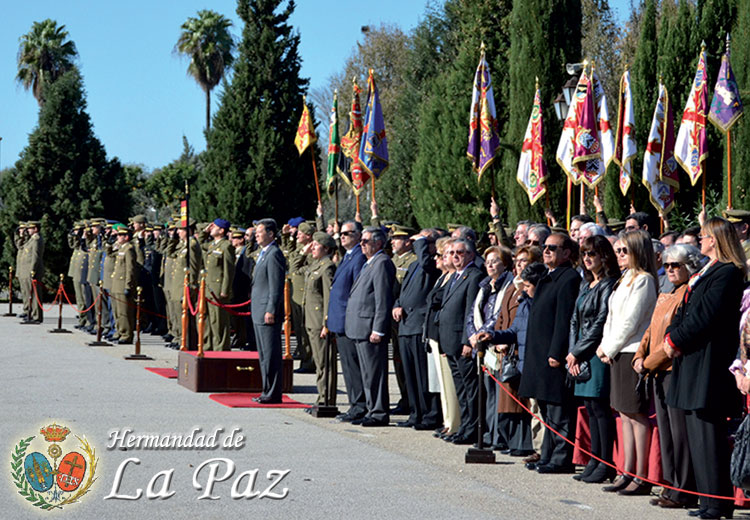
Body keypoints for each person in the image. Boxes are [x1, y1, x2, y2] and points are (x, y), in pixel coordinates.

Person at [664, 217, 747, 519]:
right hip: (691, 358)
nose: (700, 239)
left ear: (716, 239)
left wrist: (675, 339)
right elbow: (684, 310)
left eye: (703, 235)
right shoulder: (705, 272)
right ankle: (706, 499)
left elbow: (705, 317)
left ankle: (717, 501)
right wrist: (670, 334)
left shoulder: (727, 273)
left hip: (708, 361)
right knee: (695, 432)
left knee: (708, 434)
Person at [633, 244, 704, 509]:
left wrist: (648, 362)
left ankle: (683, 488)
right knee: (666, 432)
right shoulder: (666, 291)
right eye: (669, 265)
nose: (671, 269)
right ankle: (670, 484)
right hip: (654, 370)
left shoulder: (689, 293)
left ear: (689, 267)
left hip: (671, 370)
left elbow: (672, 340)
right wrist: (640, 356)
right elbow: (651, 330)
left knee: (679, 433)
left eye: (677, 265)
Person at [596, 230, 658, 495]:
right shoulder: (625, 278)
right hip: (615, 351)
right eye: (618, 251)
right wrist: (603, 345)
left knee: (636, 413)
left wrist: (609, 347)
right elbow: (611, 317)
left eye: (624, 251)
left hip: (630, 351)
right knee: (623, 412)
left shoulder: (643, 280)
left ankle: (641, 475)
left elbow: (631, 321)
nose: (619, 255)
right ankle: (626, 469)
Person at [519, 233, 580, 474]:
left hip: (553, 354)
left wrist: (557, 351)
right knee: (545, 408)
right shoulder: (547, 277)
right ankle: (547, 453)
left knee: (558, 409)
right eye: (545, 247)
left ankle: (561, 457)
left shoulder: (569, 278)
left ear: (567, 253)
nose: (546, 251)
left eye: (553, 248)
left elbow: (564, 319)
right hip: (538, 352)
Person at [476, 261, 547, 458]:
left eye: (527, 286)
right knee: (535, 408)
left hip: (539, 362)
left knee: (543, 411)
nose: (523, 290)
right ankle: (539, 449)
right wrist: (493, 335)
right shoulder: (524, 303)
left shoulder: (543, 304)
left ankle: (546, 452)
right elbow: (514, 330)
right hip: (525, 362)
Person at [566, 235, 619, 484]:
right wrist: (572, 352)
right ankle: (594, 459)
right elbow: (575, 321)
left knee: (600, 408)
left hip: (596, 352)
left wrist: (578, 352)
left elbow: (600, 322)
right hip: (580, 352)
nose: (587, 259)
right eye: (584, 254)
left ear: (603, 256)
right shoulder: (586, 284)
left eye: (592, 254)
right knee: (589, 407)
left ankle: (605, 462)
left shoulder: (608, 284)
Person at [344, 226, 396, 427]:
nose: (361, 244)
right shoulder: (369, 263)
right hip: (359, 327)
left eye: (365, 241)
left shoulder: (381, 263)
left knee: (374, 373)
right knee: (366, 374)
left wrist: (378, 328)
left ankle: (379, 412)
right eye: (362, 241)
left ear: (378, 243)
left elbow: (383, 299)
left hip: (369, 328)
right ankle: (371, 408)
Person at [466, 245, 514, 449]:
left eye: (495, 261)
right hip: (482, 346)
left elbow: (497, 316)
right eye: (488, 261)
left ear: (505, 264)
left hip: (496, 342)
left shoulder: (507, 285)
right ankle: (487, 433)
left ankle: (498, 436)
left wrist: (483, 334)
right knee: (487, 393)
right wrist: (472, 335)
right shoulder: (484, 285)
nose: (490, 265)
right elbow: (472, 313)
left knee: (498, 393)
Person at [392, 229, 441, 429]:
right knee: (410, 375)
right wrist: (397, 304)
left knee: (423, 375)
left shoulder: (430, 264)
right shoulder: (413, 265)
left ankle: (429, 415)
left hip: (419, 325)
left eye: (423, 242)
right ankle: (415, 413)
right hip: (405, 324)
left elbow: (427, 265)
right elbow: (402, 291)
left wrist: (421, 241)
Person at [328, 220, 368, 422]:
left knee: (353, 366)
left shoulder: (359, 258)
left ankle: (360, 405)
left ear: (358, 235)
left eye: (347, 233)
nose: (342, 236)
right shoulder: (348, 256)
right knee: (348, 365)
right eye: (341, 233)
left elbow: (357, 291)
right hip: (339, 319)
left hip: (348, 319)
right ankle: (355, 403)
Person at [425, 237, 461, 439]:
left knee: (449, 383)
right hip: (436, 334)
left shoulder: (454, 277)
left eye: (442, 254)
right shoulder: (444, 277)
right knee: (442, 384)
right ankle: (448, 421)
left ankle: (454, 422)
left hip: (446, 335)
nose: (439, 258)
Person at [251, 218, 287, 404]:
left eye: (260, 231)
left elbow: (276, 285)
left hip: (267, 311)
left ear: (271, 234)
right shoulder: (263, 253)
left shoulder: (274, 254)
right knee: (263, 354)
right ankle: (266, 389)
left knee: (271, 354)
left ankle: (272, 392)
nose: (256, 234)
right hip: (258, 309)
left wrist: (271, 309)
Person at [302, 231, 338, 406]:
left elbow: (329, 297)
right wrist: (304, 252)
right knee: (318, 362)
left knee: (325, 363)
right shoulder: (316, 265)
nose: (312, 248)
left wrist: (327, 323)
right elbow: (295, 269)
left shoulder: (327, 267)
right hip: (311, 320)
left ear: (326, 248)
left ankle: (326, 399)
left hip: (319, 322)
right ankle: (321, 397)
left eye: (316, 245)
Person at [203, 219, 235, 351]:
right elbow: (198, 245)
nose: (211, 228)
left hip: (218, 289)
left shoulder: (226, 246)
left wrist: (225, 290)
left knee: (219, 322)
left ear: (222, 230)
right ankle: (208, 346)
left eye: (214, 226)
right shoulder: (212, 245)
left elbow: (229, 270)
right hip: (208, 289)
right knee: (208, 321)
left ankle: (220, 348)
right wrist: (204, 232)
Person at [111, 225, 138, 344]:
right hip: (116, 284)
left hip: (123, 284)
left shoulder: (129, 249)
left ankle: (127, 334)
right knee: (117, 311)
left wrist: (128, 285)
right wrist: (109, 242)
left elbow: (130, 269)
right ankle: (120, 331)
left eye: (120, 235)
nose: (117, 237)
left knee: (124, 312)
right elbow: (110, 254)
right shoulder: (121, 248)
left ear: (126, 237)